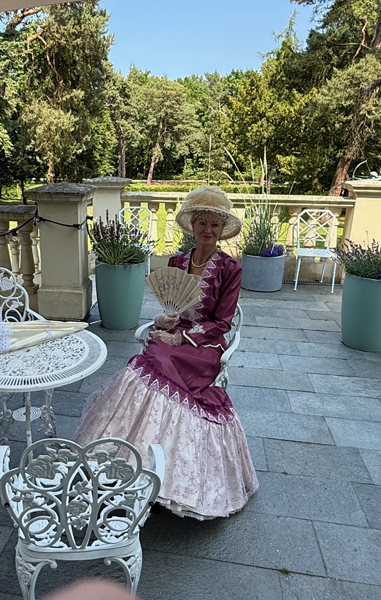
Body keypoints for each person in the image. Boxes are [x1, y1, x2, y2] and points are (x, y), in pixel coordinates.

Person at [74, 185, 258, 520]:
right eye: (202, 223)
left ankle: (165, 464)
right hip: (172, 336)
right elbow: (171, 309)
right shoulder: (177, 262)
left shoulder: (230, 268)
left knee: (160, 357)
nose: (208, 230)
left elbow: (222, 323)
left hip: (203, 347)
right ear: (192, 226)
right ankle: (127, 452)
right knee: (149, 357)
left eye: (214, 224)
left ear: (222, 230)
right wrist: (163, 321)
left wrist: (183, 338)